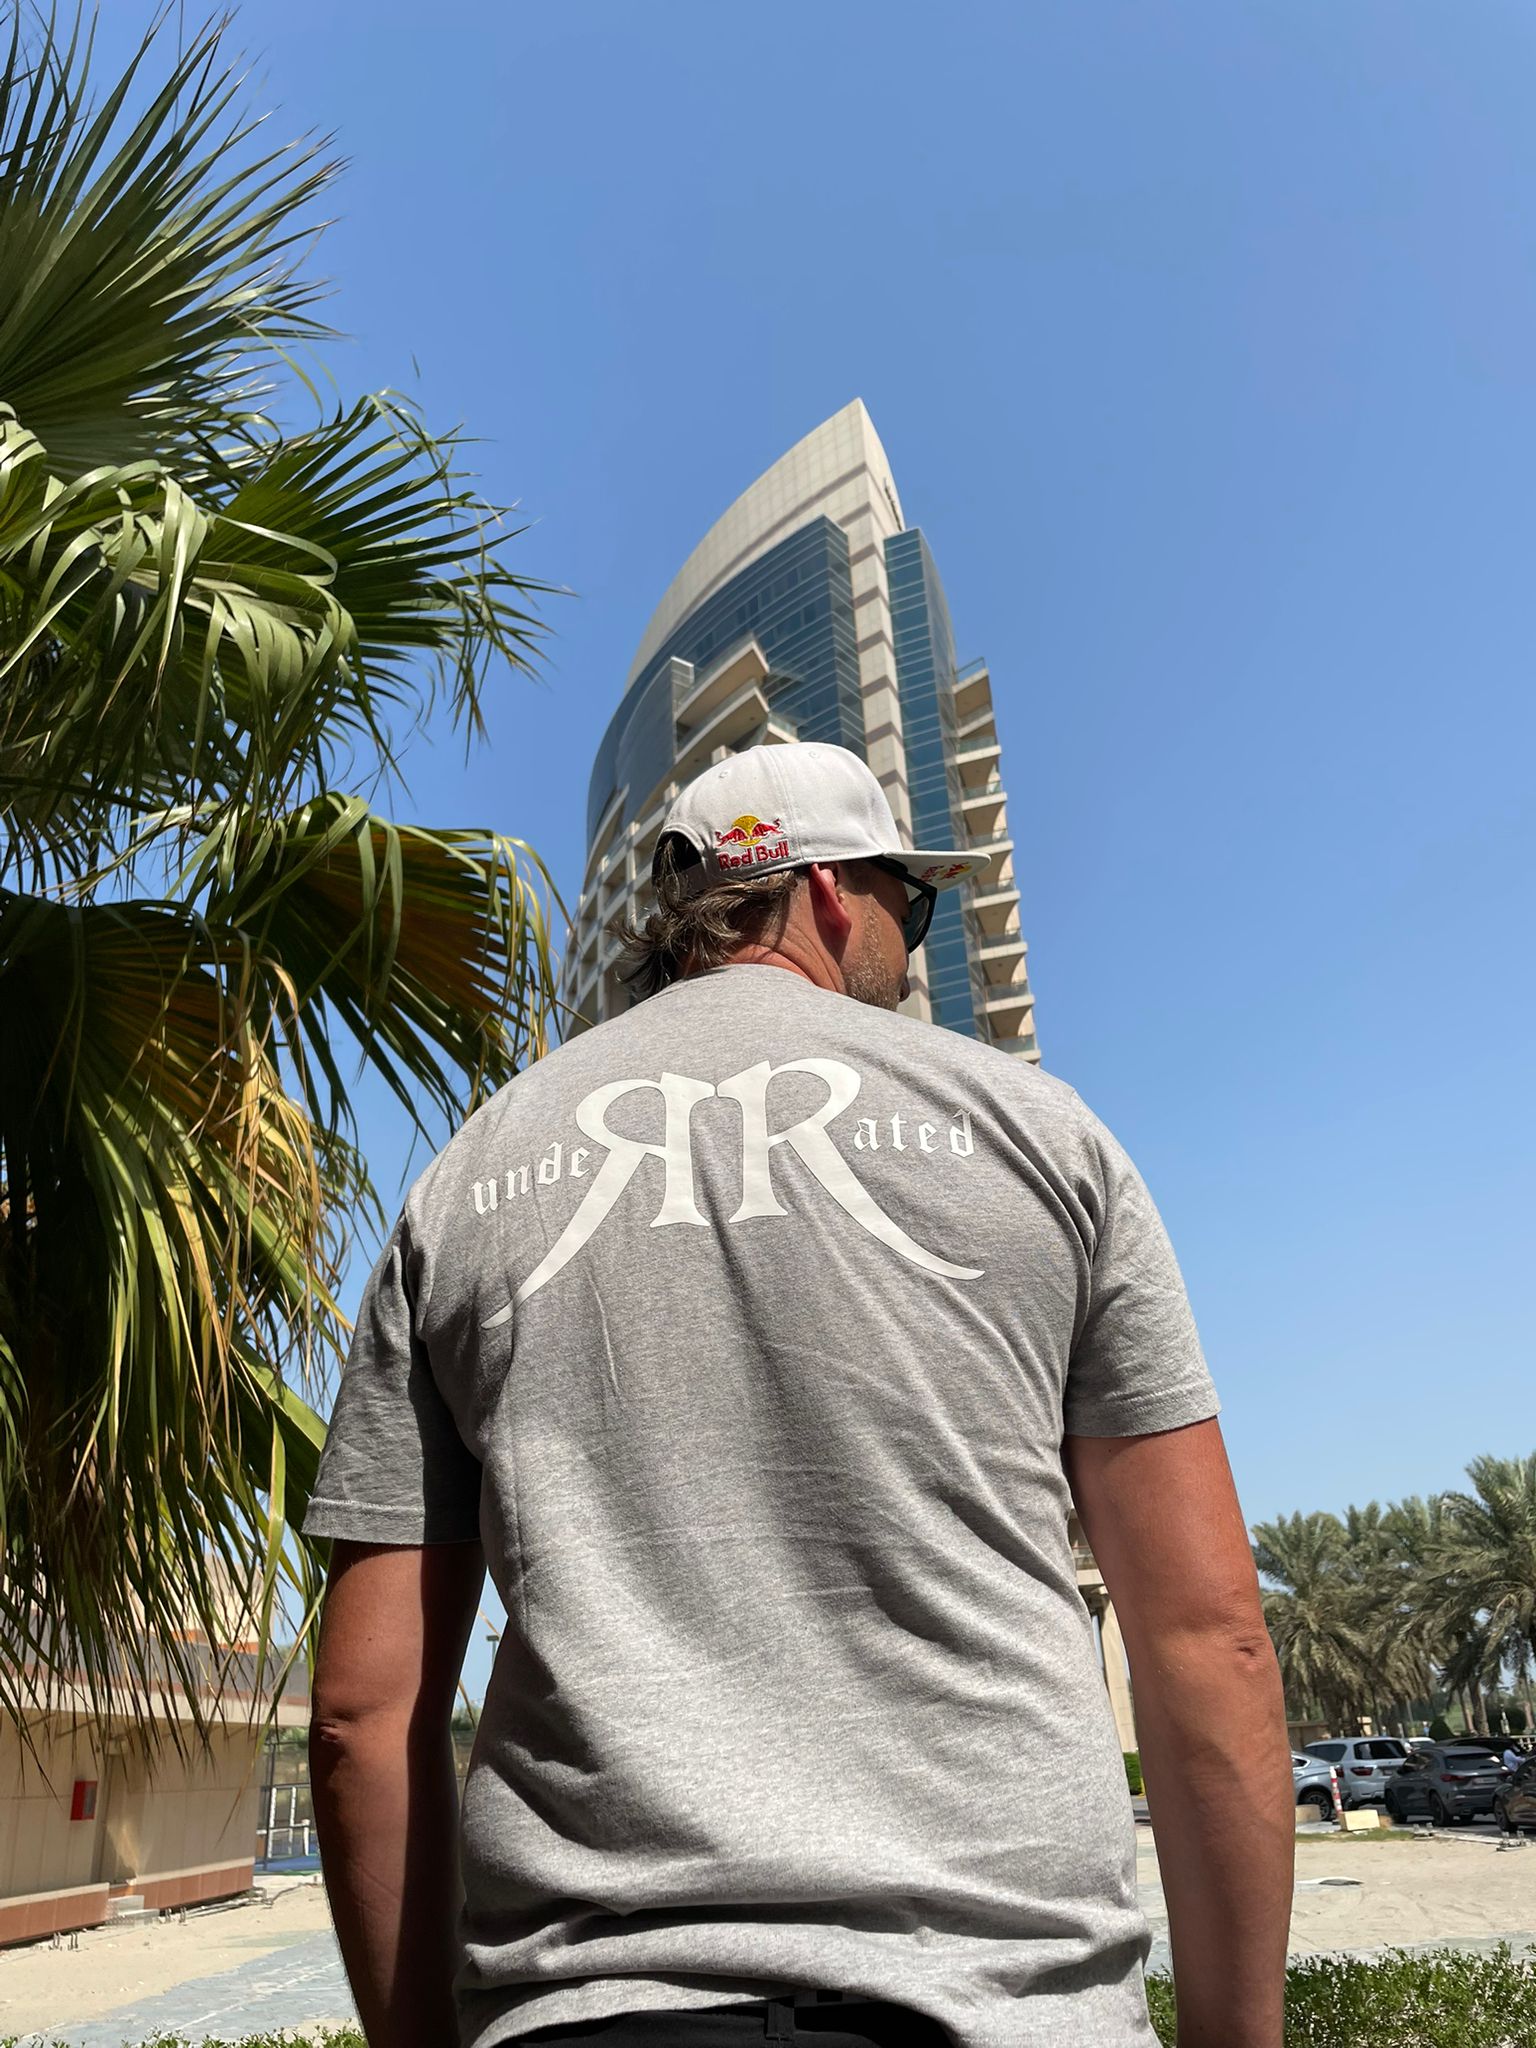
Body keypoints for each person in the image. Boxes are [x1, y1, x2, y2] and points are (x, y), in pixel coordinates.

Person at [305, 743, 1293, 2048]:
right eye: (909, 904)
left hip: (590, 2013)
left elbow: (361, 1715)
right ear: (830, 893)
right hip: (1002, 2004)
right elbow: (1208, 1641)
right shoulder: (1039, 1135)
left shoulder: (468, 1179)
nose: (910, 944)